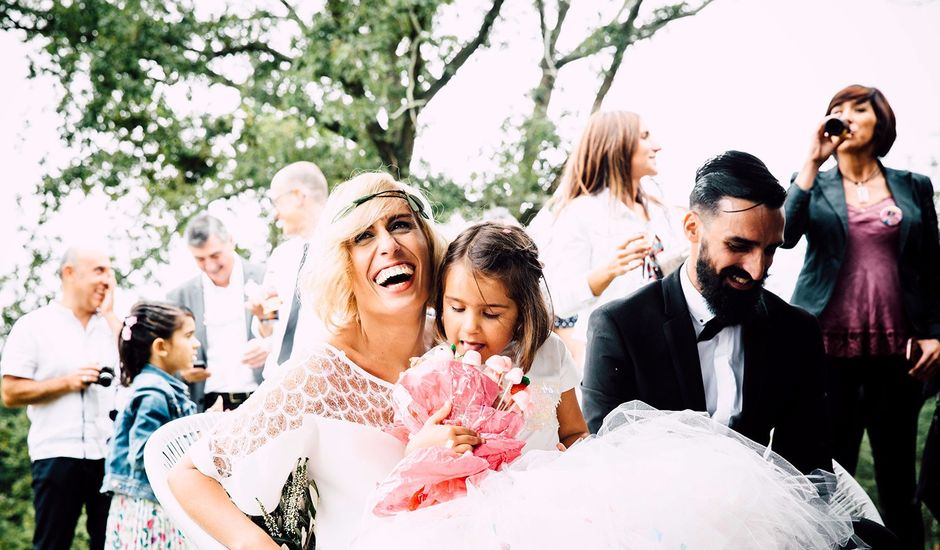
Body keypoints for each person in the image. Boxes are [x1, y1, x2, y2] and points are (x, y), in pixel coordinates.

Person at [167, 172, 460, 549]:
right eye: (364, 236)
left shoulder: (461, 345)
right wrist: (252, 545)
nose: (388, 244)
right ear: (344, 265)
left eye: (400, 224)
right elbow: (189, 474)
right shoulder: (319, 375)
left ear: (428, 244)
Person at [581, 150, 830, 476]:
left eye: (769, 250)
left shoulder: (797, 332)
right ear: (692, 228)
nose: (757, 270)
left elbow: (808, 463)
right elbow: (607, 459)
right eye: (739, 246)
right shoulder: (619, 327)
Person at [782, 84, 940, 549]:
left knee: (897, 486)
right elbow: (785, 235)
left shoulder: (913, 185)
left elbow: (932, 266)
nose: (845, 115)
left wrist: (937, 334)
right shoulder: (812, 182)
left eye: (858, 107)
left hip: (899, 355)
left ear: (880, 121)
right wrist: (811, 162)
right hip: (827, 350)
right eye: (837, 108)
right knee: (827, 479)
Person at [530, 110, 686, 366]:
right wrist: (607, 272)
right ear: (618, 145)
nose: (657, 146)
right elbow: (553, 300)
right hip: (612, 357)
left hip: (668, 351)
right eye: (645, 137)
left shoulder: (661, 212)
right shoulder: (582, 213)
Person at [1, 245, 120, 550]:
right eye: (99, 270)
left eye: (109, 270)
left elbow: (134, 374)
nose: (108, 279)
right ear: (70, 273)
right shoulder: (33, 326)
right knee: (51, 545)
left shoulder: (112, 327)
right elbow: (10, 393)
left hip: (108, 455)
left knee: (112, 544)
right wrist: (67, 383)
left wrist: (111, 317)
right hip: (55, 453)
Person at [434, 222, 589, 451]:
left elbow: (575, 431)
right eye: (457, 308)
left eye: (490, 314)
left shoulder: (550, 352)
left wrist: (572, 456)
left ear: (523, 312)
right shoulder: (437, 367)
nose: (470, 327)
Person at [101, 302, 199, 549]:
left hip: (152, 504)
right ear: (161, 347)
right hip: (147, 510)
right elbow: (145, 454)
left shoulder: (164, 388)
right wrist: (200, 442)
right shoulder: (154, 392)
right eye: (188, 336)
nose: (196, 343)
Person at [167, 213, 266, 411]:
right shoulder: (178, 298)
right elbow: (164, 358)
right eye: (200, 259)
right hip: (208, 406)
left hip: (263, 398)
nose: (210, 266)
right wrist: (182, 372)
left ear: (231, 241)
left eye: (215, 255)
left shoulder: (267, 278)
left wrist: (269, 348)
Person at [250, 161, 330, 380]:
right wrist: (263, 315)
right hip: (276, 380)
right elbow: (270, 323)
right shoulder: (280, 257)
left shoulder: (345, 248)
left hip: (324, 380)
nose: (275, 214)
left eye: (276, 202)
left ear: (297, 196)